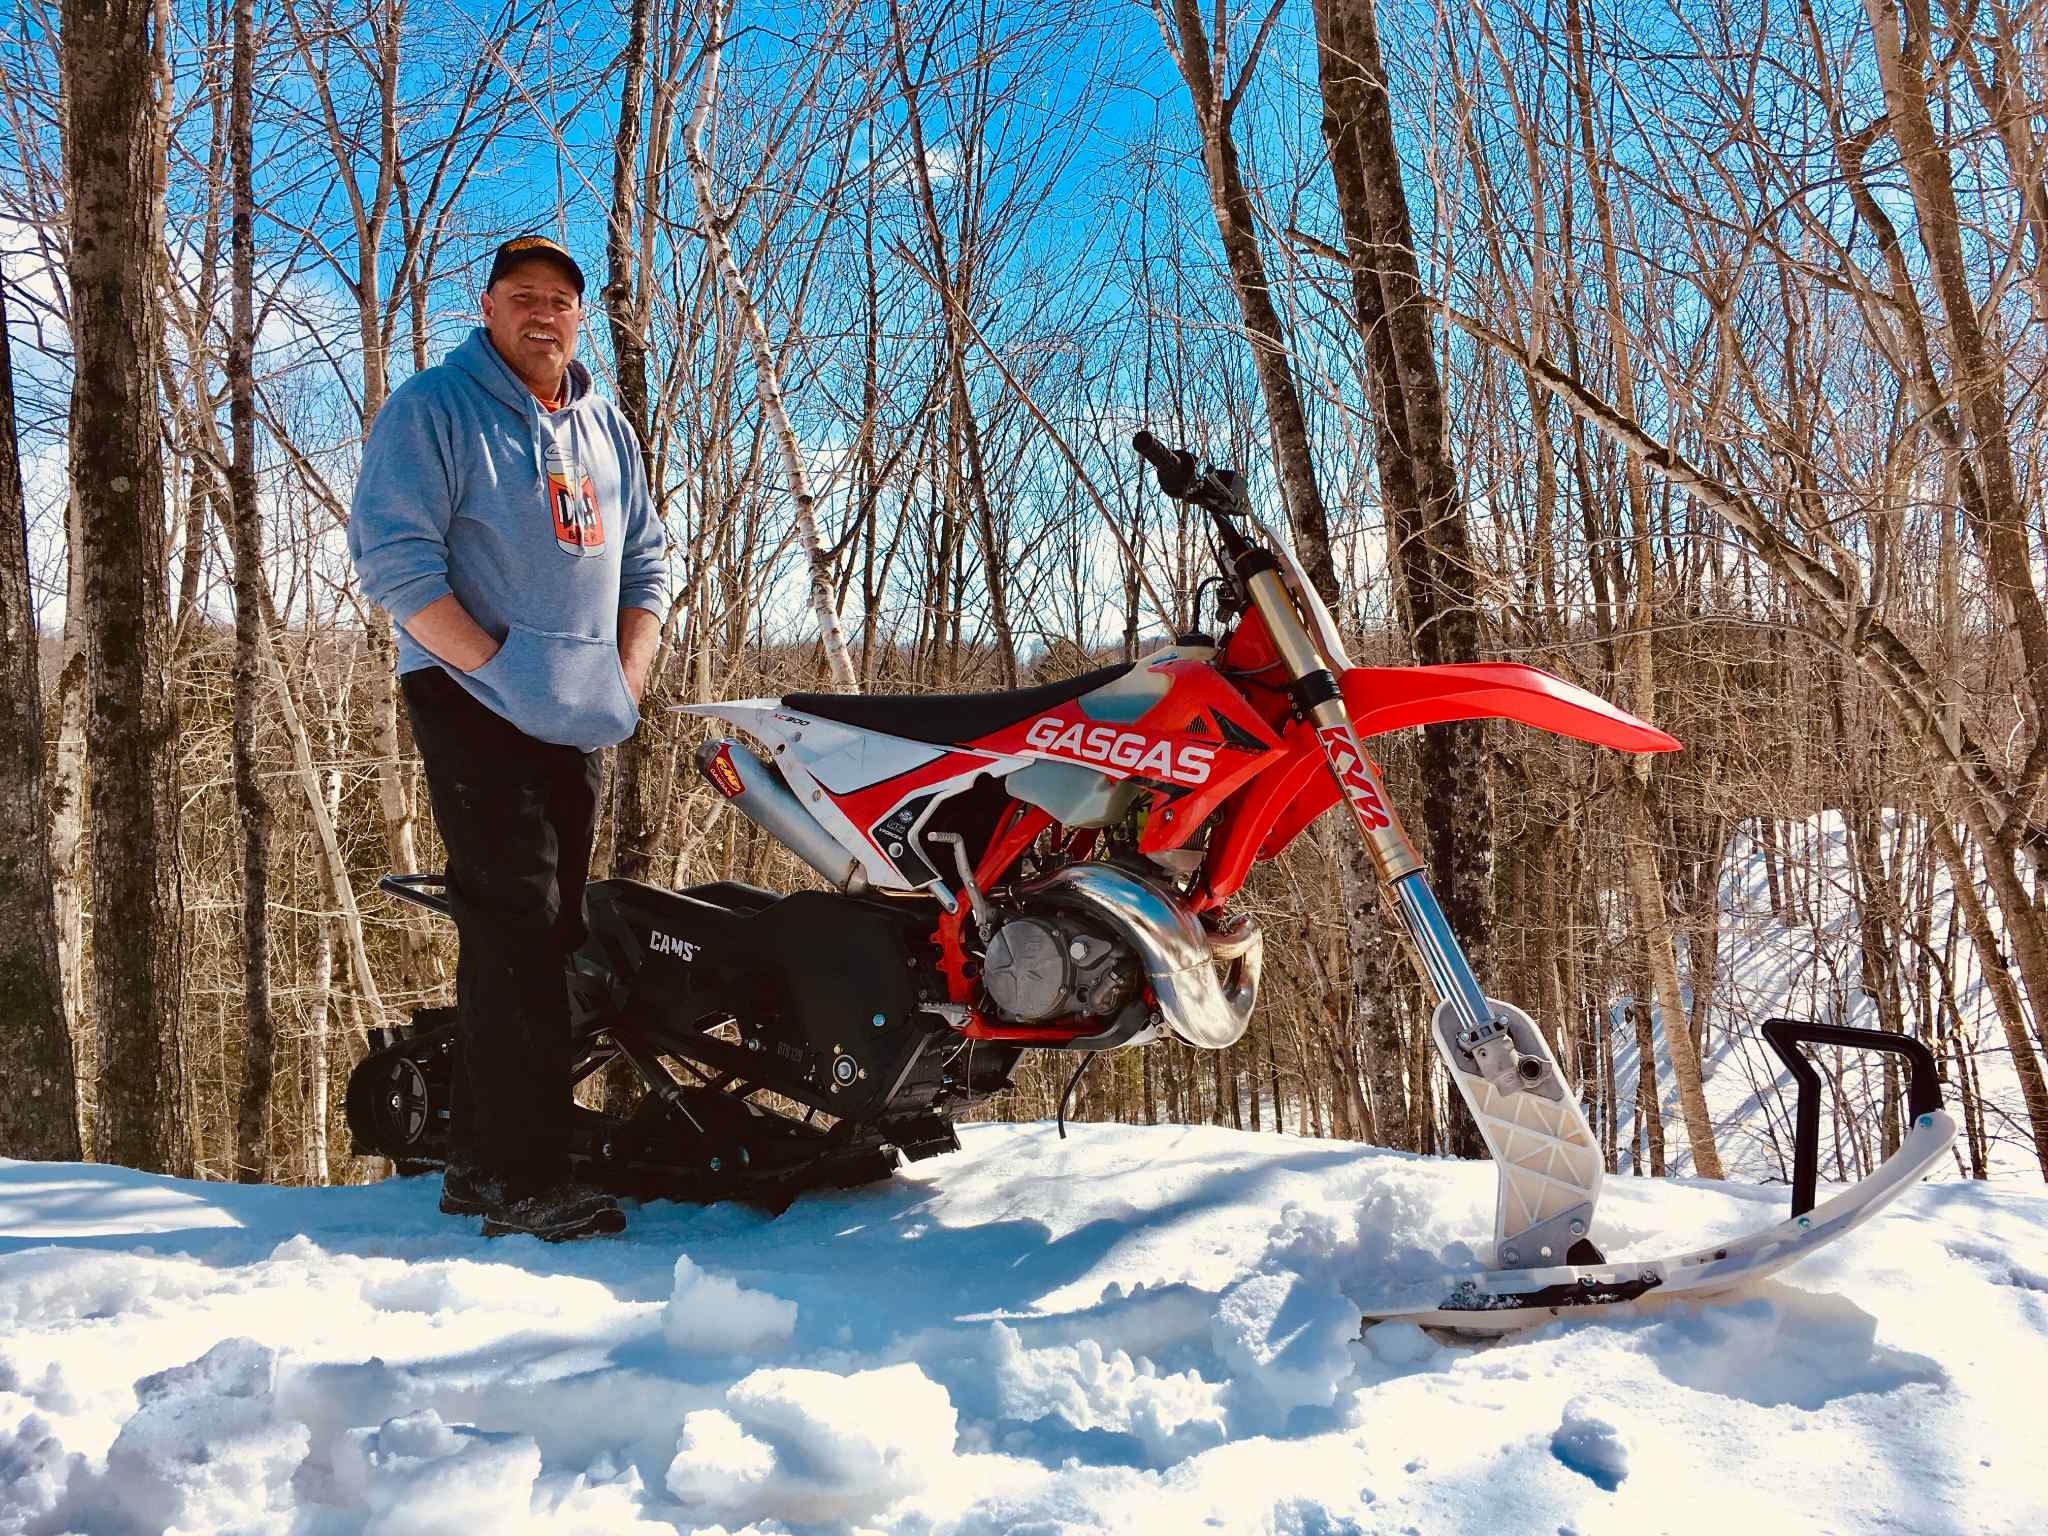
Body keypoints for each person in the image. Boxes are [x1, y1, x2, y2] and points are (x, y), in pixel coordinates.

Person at [349, 235, 666, 1241]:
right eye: (521, 296)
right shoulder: (433, 409)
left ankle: (479, 1161)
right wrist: (493, 668)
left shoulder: (602, 423)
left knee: (543, 935)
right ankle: (531, 1177)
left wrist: (624, 673)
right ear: (485, 308)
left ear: (580, 318)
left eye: (560, 301)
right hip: (471, 702)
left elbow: (648, 562)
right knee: (520, 928)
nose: (543, 314)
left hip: (573, 709)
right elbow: (396, 563)